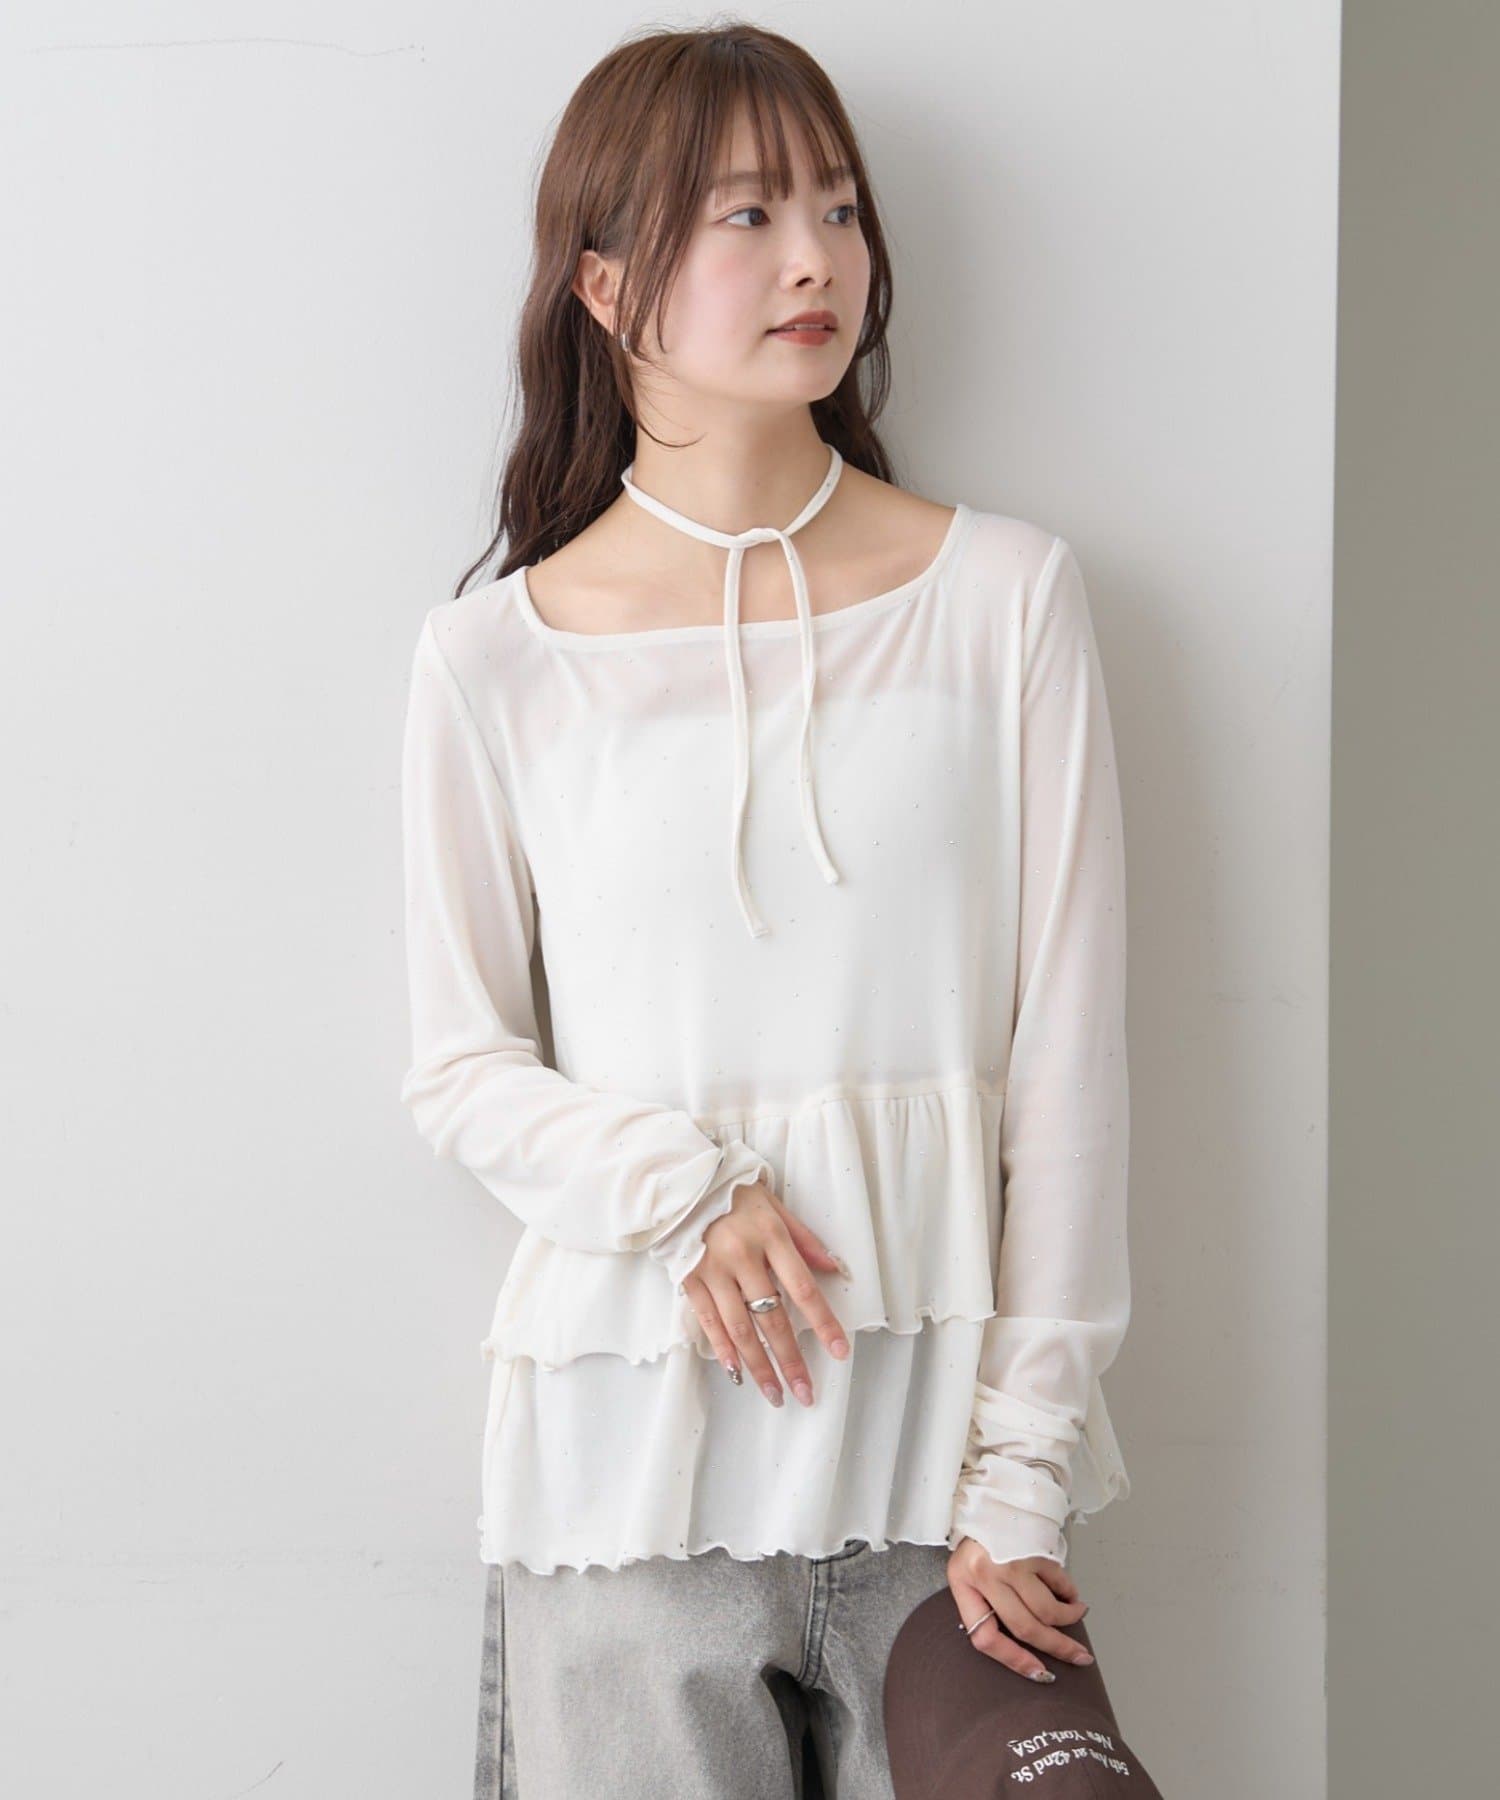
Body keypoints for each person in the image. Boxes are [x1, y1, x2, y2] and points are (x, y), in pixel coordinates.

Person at [398, 21, 1134, 1800]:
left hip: (945, 1521)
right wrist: (685, 1190)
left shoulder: (1005, 601)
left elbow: (1073, 1063)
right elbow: (460, 1066)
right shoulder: (496, 660)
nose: (815, 258)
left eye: (839, 209)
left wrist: (1022, 1473)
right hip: (626, 1499)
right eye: (745, 215)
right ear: (604, 285)